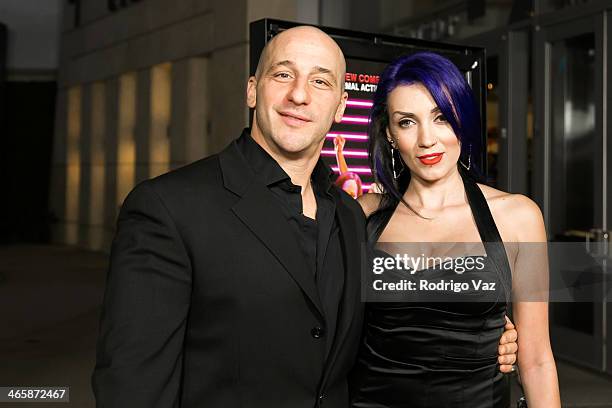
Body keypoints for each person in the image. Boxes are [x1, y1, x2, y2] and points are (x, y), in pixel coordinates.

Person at [92, 27, 518, 408]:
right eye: (283, 75)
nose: (300, 94)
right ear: (252, 90)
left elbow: (385, 331)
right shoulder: (168, 207)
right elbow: (132, 385)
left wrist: (479, 336)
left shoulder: (352, 216)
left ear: (339, 107)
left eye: (320, 81)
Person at [351, 52, 560, 407]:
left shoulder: (518, 217)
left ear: (461, 119)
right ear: (389, 133)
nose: (427, 139)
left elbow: (537, 360)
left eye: (441, 117)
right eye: (407, 122)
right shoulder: (364, 216)